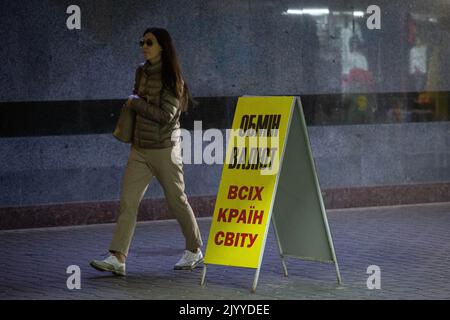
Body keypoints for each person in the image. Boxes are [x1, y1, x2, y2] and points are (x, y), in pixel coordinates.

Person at [90, 27, 203, 276]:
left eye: (149, 42)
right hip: (139, 149)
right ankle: (117, 257)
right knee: (128, 202)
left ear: (162, 45)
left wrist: (136, 103)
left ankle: (195, 249)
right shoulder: (141, 72)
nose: (144, 46)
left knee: (177, 200)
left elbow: (166, 116)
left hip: (164, 150)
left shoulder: (173, 78)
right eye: (141, 42)